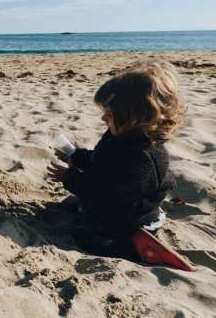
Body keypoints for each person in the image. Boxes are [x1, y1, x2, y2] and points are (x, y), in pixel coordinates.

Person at [47, 59, 194, 271]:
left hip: (129, 219)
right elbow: (100, 161)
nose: (102, 118)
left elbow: (108, 193)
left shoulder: (144, 158)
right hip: (114, 203)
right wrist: (76, 156)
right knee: (72, 204)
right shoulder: (121, 135)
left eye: (109, 115)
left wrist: (69, 177)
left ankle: (135, 249)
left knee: (85, 237)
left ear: (132, 118)